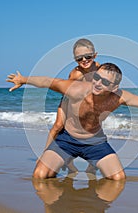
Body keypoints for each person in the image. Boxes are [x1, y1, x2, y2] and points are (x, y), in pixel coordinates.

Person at [7, 63, 138, 180]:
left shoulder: (118, 97)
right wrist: (23, 79)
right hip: (66, 140)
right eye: (97, 77)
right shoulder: (76, 89)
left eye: (105, 82)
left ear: (114, 87)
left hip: (96, 143)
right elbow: (48, 82)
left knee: (118, 179)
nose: (98, 83)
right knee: (40, 176)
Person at [45, 38, 100, 174]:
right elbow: (66, 90)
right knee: (58, 126)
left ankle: (92, 166)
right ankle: (46, 155)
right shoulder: (75, 74)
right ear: (75, 59)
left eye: (88, 57)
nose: (84, 60)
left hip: (89, 104)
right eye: (79, 58)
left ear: (95, 55)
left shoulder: (100, 69)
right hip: (69, 101)